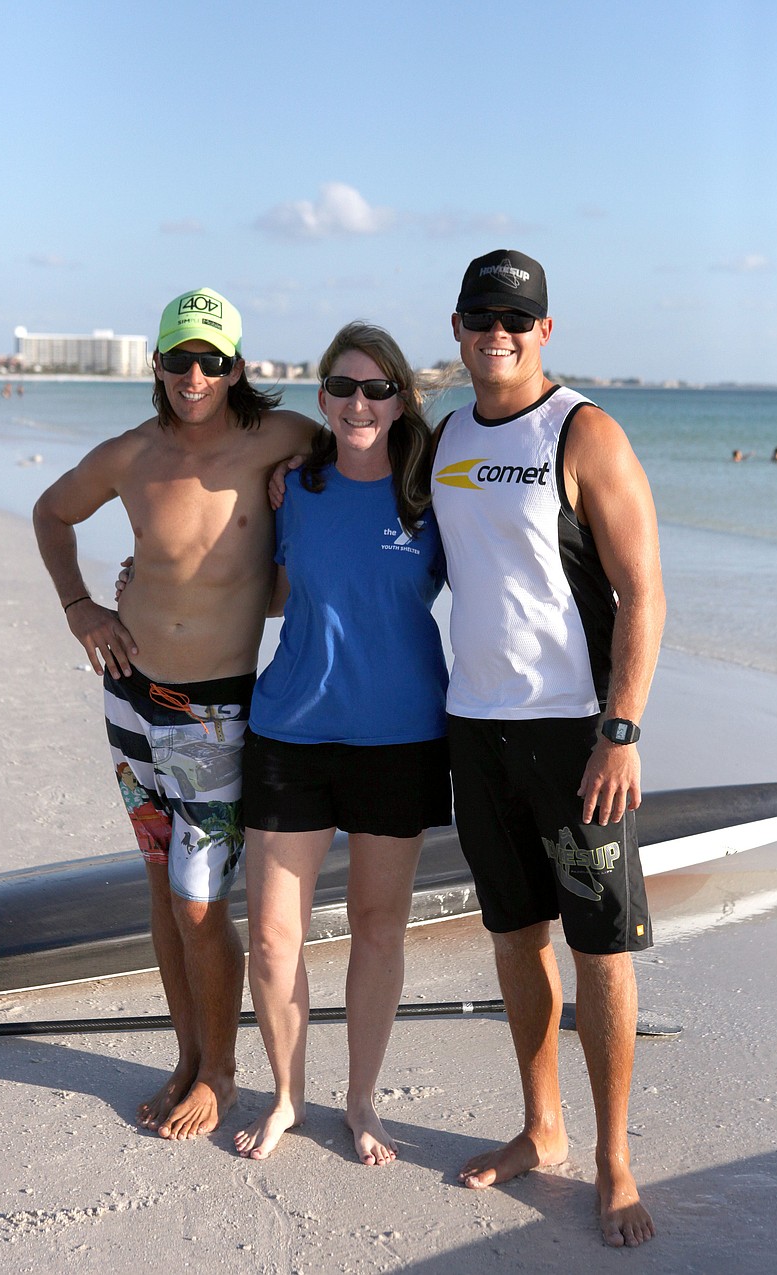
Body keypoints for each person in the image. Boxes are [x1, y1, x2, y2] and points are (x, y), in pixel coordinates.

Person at [33, 288, 314, 1141]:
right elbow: (51, 511)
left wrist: (302, 527)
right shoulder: (131, 455)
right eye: (181, 359)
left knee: (200, 904)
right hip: (129, 699)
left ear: (237, 368)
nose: (196, 376)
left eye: (212, 361)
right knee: (162, 888)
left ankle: (222, 1073)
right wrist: (81, 606)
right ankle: (189, 1055)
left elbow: (372, 449)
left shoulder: (284, 438)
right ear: (157, 364)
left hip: (215, 717)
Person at [430, 250, 666, 1247]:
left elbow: (642, 591)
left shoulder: (583, 430)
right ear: (456, 326)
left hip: (576, 734)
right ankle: (542, 1126)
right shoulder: (443, 437)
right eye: (482, 315)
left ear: (544, 331)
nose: (499, 333)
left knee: (599, 948)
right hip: (475, 729)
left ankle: (613, 1158)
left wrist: (621, 730)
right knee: (515, 934)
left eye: (517, 319)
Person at [233, 322, 452, 1167]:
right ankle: (287, 1095)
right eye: (343, 387)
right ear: (323, 397)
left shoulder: (431, 494)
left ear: (400, 400)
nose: (359, 402)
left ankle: (361, 1099)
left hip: (400, 738)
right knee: (271, 937)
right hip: (289, 731)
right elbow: (265, 587)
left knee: (377, 927)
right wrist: (149, 589)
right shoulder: (293, 486)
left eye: (376, 388)